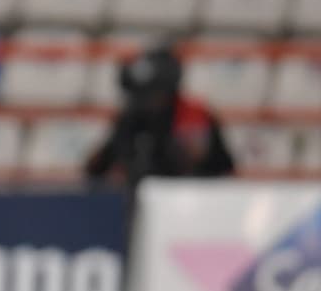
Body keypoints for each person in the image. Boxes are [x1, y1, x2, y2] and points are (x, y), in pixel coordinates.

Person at [85, 43, 235, 188]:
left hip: (188, 201)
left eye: (154, 93)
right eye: (140, 94)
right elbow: (96, 168)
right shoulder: (129, 120)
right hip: (138, 201)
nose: (148, 102)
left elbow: (223, 169)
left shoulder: (195, 116)